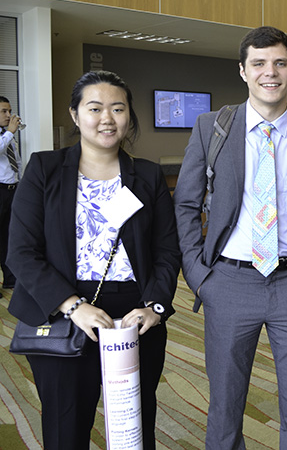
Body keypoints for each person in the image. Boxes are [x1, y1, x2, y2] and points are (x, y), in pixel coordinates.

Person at [173, 26, 287, 450]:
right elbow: (186, 204)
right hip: (228, 282)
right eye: (259, 63)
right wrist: (198, 275)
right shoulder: (212, 128)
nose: (271, 72)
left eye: (280, 63)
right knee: (225, 406)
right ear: (243, 71)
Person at [7, 71, 180, 450]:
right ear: (75, 114)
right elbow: (21, 252)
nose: (107, 118)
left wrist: (154, 307)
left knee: (134, 429)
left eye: (118, 108)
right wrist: (72, 306)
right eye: (95, 108)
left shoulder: (147, 175)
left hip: (135, 317)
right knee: (65, 429)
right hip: (62, 314)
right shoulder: (44, 169)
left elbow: (167, 250)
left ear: (129, 115)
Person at [0, 96, 22, 290]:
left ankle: (9, 279)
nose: (9, 115)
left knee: (9, 236)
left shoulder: (7, 135)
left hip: (12, 190)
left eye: (9, 111)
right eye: (3, 111)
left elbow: (16, 161)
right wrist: (9, 133)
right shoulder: (7, 134)